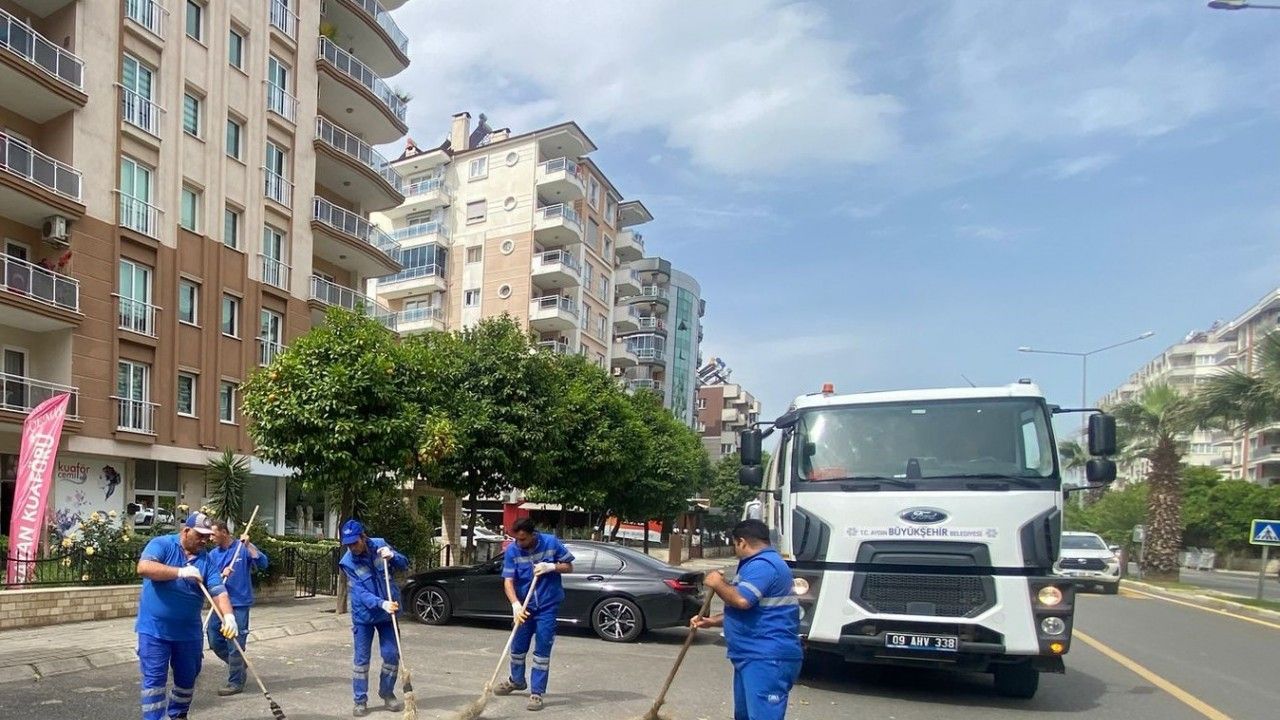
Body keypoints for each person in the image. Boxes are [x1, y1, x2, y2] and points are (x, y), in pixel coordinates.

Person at [691, 519, 802, 720]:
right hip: (751, 654)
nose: (735, 549)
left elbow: (742, 600)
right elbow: (753, 609)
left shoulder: (764, 565)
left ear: (742, 542)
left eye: (735, 544)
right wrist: (712, 621)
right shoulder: (756, 565)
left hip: (767, 656)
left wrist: (717, 583)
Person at [135, 511, 239, 720]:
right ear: (186, 531)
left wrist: (229, 616)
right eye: (199, 535)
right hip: (155, 630)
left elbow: (219, 592)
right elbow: (144, 568)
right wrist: (180, 572)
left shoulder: (206, 560)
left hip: (188, 634)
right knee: (154, 681)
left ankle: (178, 715)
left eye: (207, 536)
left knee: (187, 679)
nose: (204, 541)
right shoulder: (162, 544)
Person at [493, 518, 575, 711]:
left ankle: (537, 692)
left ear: (533, 534)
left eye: (523, 539)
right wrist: (515, 604)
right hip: (524, 607)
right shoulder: (513, 551)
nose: (519, 543)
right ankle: (517, 680)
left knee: (542, 649)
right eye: (517, 539)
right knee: (517, 647)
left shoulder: (550, 543)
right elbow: (508, 581)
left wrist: (551, 567)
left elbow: (569, 566)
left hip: (547, 606)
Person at [338, 519, 409, 717]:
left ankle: (387, 692)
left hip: (388, 614)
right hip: (364, 616)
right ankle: (360, 700)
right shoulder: (347, 562)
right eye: (348, 544)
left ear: (363, 537)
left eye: (355, 542)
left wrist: (393, 556)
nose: (352, 547)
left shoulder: (380, 544)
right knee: (361, 660)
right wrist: (381, 603)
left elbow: (404, 564)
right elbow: (360, 592)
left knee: (391, 655)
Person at [207, 518, 269, 696]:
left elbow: (263, 563)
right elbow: (207, 577)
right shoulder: (213, 555)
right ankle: (240, 666)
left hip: (239, 603)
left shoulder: (242, 548)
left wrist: (250, 546)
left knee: (235, 644)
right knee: (214, 640)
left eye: (213, 534)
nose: (210, 538)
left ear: (224, 532)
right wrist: (222, 574)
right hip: (219, 603)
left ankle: (235, 682)